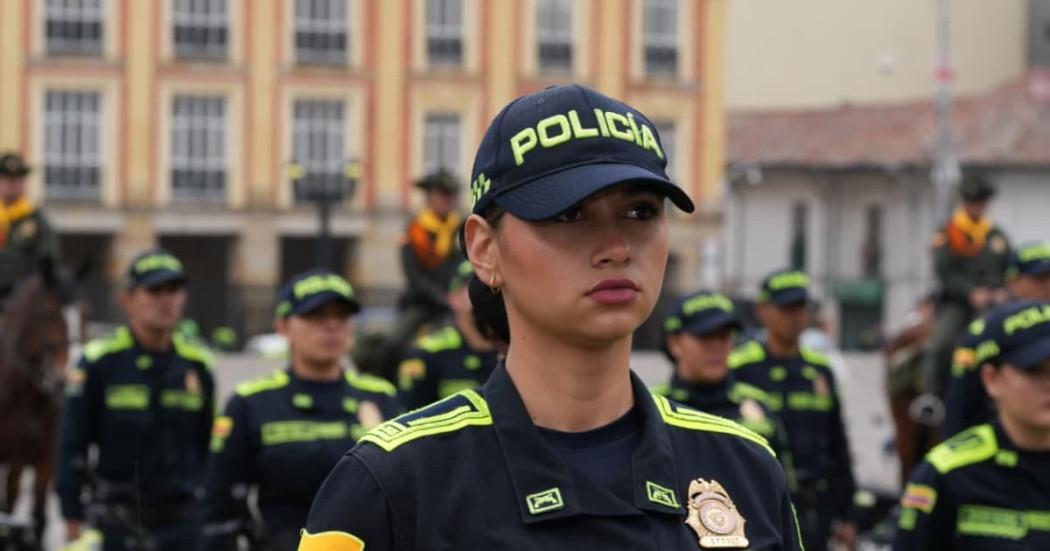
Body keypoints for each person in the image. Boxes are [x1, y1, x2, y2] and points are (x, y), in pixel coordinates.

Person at [299, 85, 802, 550]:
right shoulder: (391, 483)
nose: (616, 247)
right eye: (568, 214)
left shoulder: (745, 469)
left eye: (642, 212)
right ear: (484, 248)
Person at [198, 269, 400, 551]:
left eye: (341, 317)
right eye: (316, 316)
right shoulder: (251, 402)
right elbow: (217, 506)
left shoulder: (380, 397)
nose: (331, 326)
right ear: (283, 326)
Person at [55, 249, 214, 550]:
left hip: (185, 523)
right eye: (154, 290)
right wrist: (71, 513)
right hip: (118, 521)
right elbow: (71, 442)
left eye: (174, 290)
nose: (166, 300)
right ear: (126, 299)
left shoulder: (198, 365)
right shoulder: (100, 362)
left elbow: (210, 447)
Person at [893, 299, 1050, 550]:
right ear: (991, 379)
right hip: (960, 297)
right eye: (1034, 371)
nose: (1048, 384)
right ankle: (931, 396)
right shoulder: (946, 475)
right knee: (943, 344)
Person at [729, 269, 857, 551]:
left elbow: (838, 442)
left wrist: (849, 514)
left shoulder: (821, 369)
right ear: (763, 310)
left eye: (800, 307)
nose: (794, 316)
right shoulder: (739, 367)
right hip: (758, 502)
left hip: (816, 504)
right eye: (785, 307)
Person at [655, 290, 795, 483]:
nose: (716, 346)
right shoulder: (652, 407)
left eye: (723, 336)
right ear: (675, 343)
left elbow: (785, 486)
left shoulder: (759, 403)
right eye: (705, 336)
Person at [942, 241, 1050, 437]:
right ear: (1013, 282)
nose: (1048, 285)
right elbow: (960, 403)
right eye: (1039, 278)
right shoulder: (986, 330)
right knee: (940, 344)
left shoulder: (996, 235)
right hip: (998, 441)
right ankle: (929, 400)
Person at [921, 173, 1010, 401]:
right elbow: (943, 270)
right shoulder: (949, 233)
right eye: (972, 202)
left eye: (980, 202)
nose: (976, 207)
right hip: (957, 304)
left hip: (993, 303)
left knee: (1010, 341)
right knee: (939, 345)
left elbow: (1008, 267)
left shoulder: (996, 236)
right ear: (964, 202)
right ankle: (932, 397)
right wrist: (969, 291)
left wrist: (1002, 290)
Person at [384, 169, 465, 375]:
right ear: (430, 197)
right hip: (422, 302)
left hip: (458, 301)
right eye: (442, 195)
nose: (447, 200)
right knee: (393, 343)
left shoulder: (461, 227)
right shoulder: (414, 230)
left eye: (450, 195)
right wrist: (441, 298)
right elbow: (413, 276)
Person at [397, 260, 499, 411]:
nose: (487, 292)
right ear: (453, 298)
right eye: (476, 283)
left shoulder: (513, 349)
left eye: (494, 286)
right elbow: (408, 416)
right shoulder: (428, 353)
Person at [0, 152, 61, 302]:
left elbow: (49, 255)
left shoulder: (36, 219)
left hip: (21, 298)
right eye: (7, 179)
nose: (13, 184)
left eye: (18, 179)